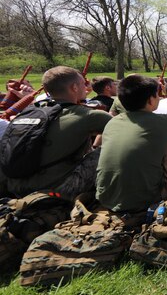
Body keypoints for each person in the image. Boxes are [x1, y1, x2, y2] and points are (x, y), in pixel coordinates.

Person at [96, 75, 167, 213]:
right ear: (151, 100)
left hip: (106, 197)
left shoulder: (112, 122)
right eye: (157, 95)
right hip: (148, 199)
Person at [3, 66, 112, 198]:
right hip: (53, 192)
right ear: (74, 88)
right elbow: (127, 131)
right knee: (108, 148)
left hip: (14, 186)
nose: (86, 88)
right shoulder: (89, 115)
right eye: (84, 84)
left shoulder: (30, 112)